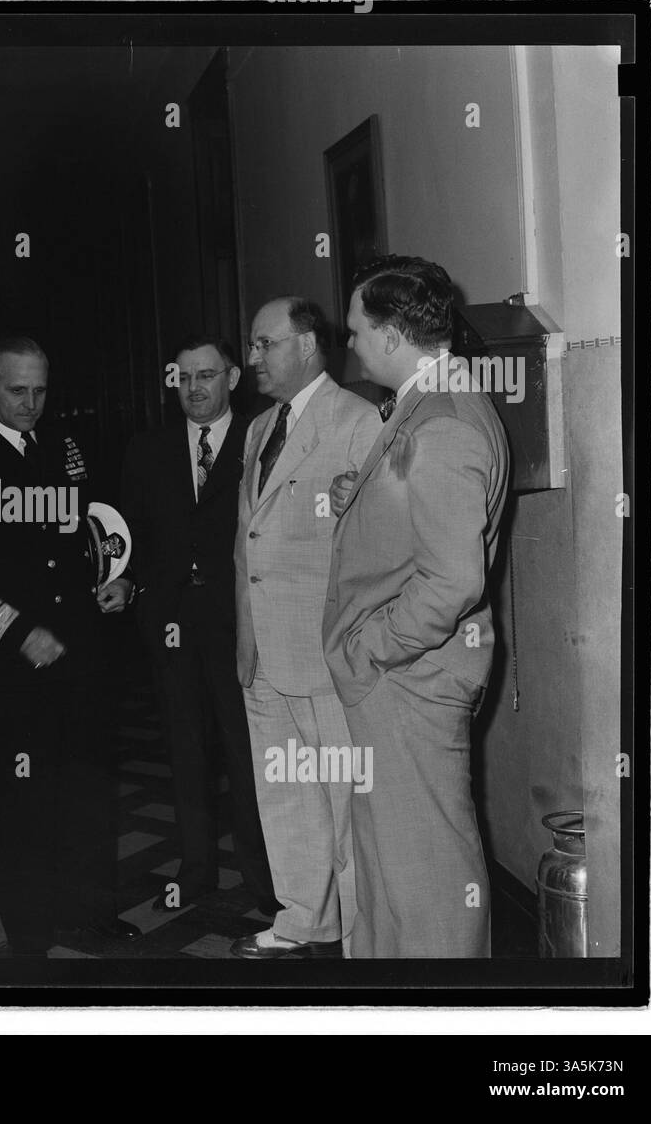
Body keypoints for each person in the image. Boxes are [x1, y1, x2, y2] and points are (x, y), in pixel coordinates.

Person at [324, 255, 509, 958]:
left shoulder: (446, 424)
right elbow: (419, 514)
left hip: (409, 679)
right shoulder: (424, 404)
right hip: (401, 681)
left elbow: (451, 581)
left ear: (394, 336)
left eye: (356, 331)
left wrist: (371, 649)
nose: (351, 345)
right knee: (391, 875)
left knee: (427, 885)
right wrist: (363, 494)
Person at [0, 337, 139, 955]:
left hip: (82, 651)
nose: (30, 403)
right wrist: (15, 629)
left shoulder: (66, 447)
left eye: (39, 390)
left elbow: (101, 525)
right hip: (18, 660)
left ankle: (89, 908)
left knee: (86, 786)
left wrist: (117, 581)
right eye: (16, 391)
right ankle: (28, 929)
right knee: (24, 799)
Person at [229, 298, 380, 960]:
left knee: (345, 802)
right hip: (263, 648)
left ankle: (358, 935)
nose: (252, 358)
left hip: (325, 651)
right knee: (285, 794)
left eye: (265, 344)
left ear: (308, 344)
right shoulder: (260, 428)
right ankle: (301, 919)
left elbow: (382, 534)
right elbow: (247, 541)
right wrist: (243, 637)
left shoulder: (358, 419)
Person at [120, 337, 277, 916]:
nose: (194, 388)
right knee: (185, 752)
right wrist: (128, 582)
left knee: (246, 752)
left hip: (239, 622)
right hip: (170, 623)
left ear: (232, 377)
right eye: (183, 378)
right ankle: (197, 870)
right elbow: (132, 534)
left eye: (206, 376)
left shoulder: (261, 437)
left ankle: (265, 881)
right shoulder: (148, 448)